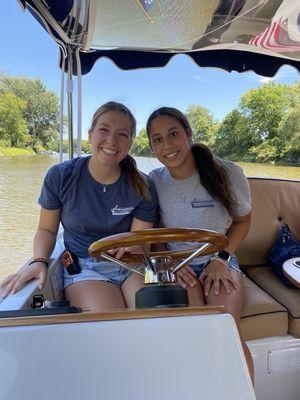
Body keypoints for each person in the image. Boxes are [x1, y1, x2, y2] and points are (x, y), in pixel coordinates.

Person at [0, 102, 157, 311]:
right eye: (104, 130)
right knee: (108, 320)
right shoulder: (61, 176)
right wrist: (39, 261)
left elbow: (141, 241)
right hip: (84, 266)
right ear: (91, 135)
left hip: (131, 266)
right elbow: (47, 230)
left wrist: (132, 246)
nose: (112, 140)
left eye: (122, 134)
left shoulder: (143, 185)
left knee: (152, 314)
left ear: (129, 144)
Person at [146, 106, 254, 382]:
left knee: (225, 328)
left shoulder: (227, 173)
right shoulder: (154, 182)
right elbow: (154, 232)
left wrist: (221, 259)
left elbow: (243, 222)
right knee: (195, 328)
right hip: (177, 265)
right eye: (157, 140)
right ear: (151, 147)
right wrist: (167, 262)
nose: (167, 145)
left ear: (188, 134)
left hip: (219, 259)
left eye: (173, 134)